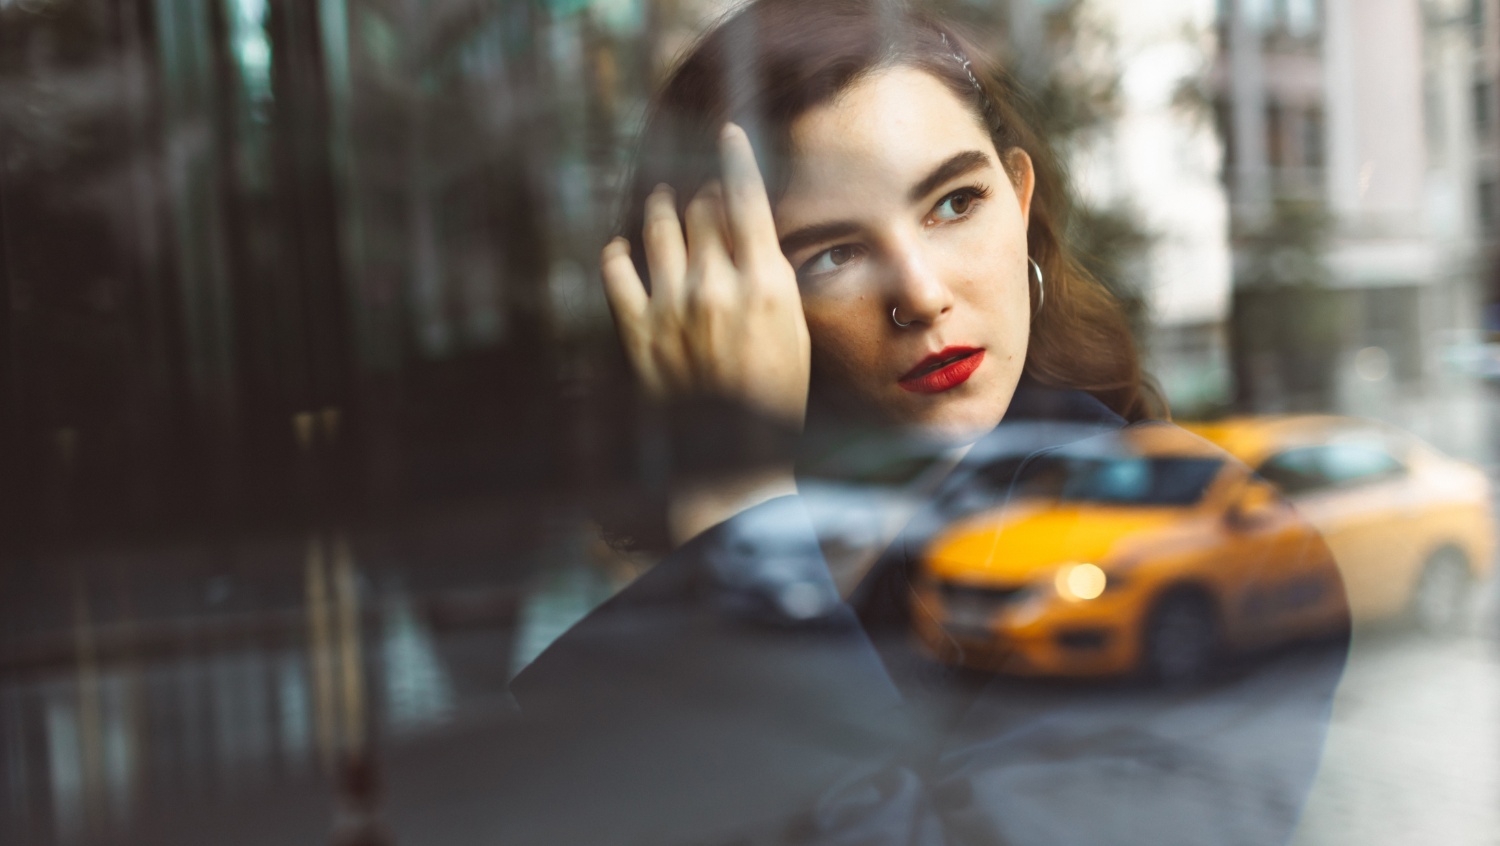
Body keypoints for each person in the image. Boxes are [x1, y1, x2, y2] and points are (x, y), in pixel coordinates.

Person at [491, 1, 1349, 843]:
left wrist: (740, 508)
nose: (922, 292)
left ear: (1019, 201)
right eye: (834, 253)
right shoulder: (669, 627)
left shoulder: (1209, 549)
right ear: (715, 307)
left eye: (953, 204)